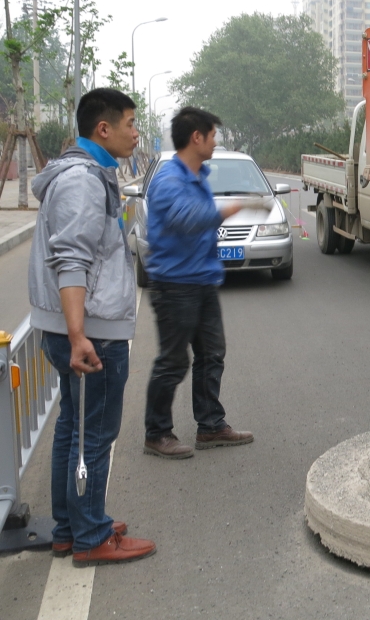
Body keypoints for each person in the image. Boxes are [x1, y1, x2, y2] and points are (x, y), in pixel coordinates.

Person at [29, 88, 156, 565]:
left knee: (73, 426)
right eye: (130, 122)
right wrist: (80, 335)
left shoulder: (88, 175)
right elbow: (72, 259)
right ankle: (90, 536)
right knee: (94, 433)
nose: (136, 131)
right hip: (91, 333)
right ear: (103, 129)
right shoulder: (82, 181)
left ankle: (70, 527)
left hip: (79, 328)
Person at [142, 107, 260, 459]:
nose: (215, 141)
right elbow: (185, 220)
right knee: (173, 361)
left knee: (212, 354)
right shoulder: (169, 180)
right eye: (213, 135)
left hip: (202, 281)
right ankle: (157, 433)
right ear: (197, 137)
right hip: (174, 285)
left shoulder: (196, 175)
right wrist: (233, 208)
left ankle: (210, 426)